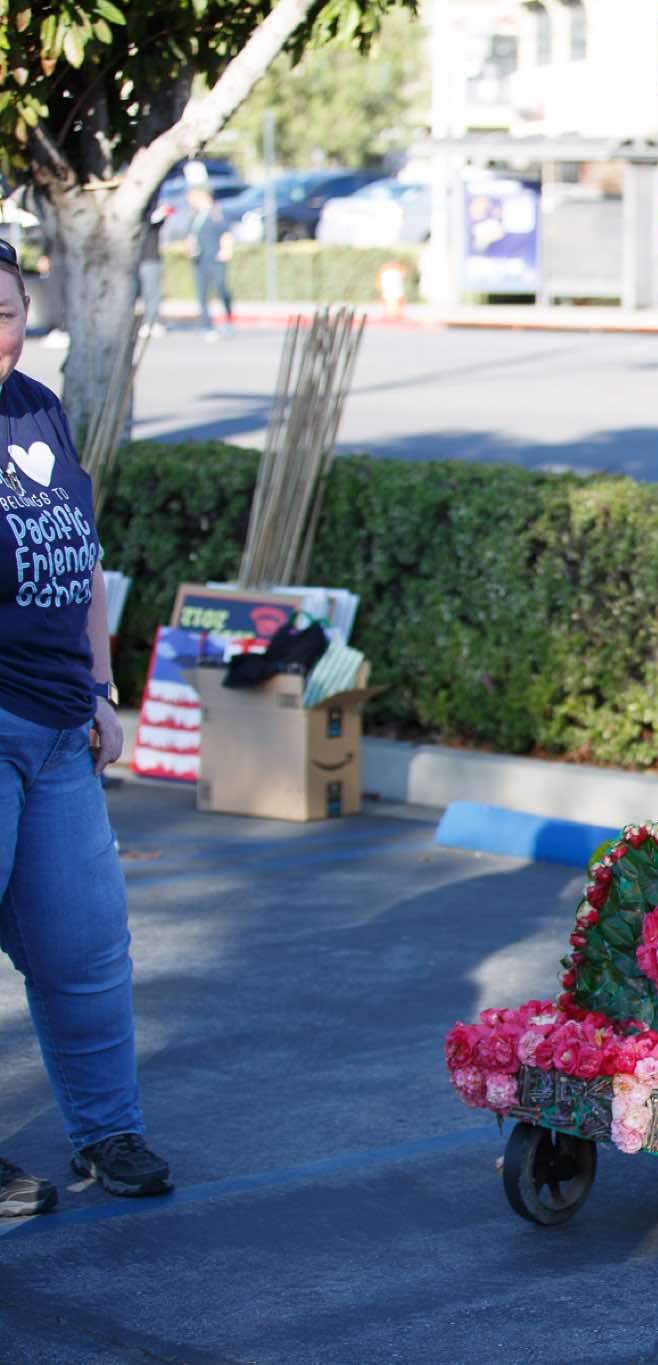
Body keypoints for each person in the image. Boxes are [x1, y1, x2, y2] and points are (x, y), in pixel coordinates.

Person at [0, 238, 173, 1215]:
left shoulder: (39, 408)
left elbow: (82, 556)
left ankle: (109, 1132)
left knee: (87, 951)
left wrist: (102, 688)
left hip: (62, 726)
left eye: (5, 312)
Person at [189, 187, 234, 339]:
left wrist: (226, 250)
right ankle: (206, 324)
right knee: (202, 293)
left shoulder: (216, 213)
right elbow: (191, 235)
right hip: (199, 259)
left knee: (221, 288)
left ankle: (228, 318)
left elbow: (226, 233)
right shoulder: (195, 215)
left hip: (215, 257)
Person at [138, 204, 166, 338]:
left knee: (152, 293)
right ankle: (145, 322)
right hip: (137, 261)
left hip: (150, 259)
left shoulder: (152, 219)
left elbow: (158, 221)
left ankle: (153, 322)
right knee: (143, 294)